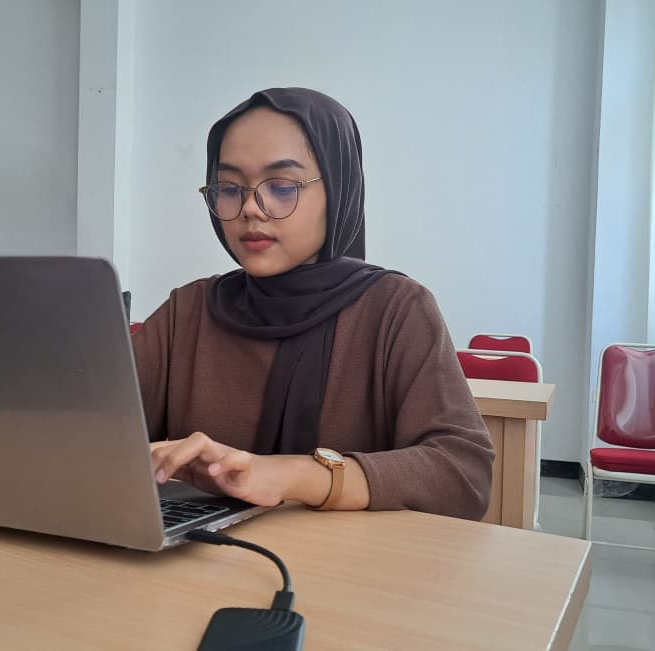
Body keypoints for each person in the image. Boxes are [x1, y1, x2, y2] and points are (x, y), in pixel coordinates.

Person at [133, 88, 493, 519]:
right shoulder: (188, 311)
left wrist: (290, 475)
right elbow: (94, 428)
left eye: (282, 187)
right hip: (197, 555)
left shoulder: (395, 309)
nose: (250, 209)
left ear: (338, 189)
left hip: (349, 559)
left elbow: (463, 474)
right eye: (229, 188)